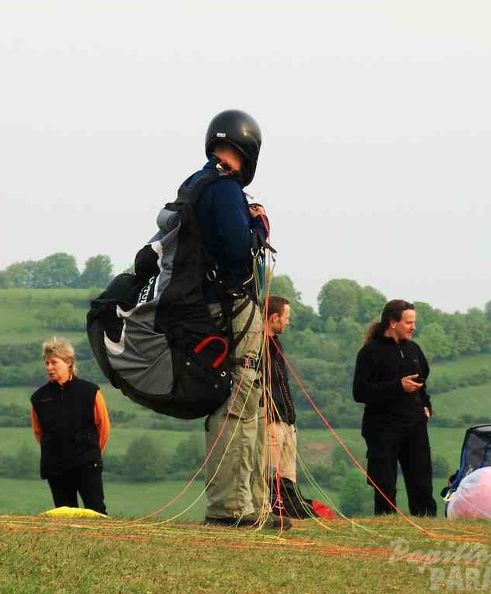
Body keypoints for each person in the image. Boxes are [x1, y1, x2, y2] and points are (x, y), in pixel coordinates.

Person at [196, 109, 289, 531]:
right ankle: (233, 508)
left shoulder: (199, 184)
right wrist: (259, 229)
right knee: (240, 404)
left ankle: (251, 504)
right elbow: (237, 251)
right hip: (232, 310)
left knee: (244, 404)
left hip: (215, 310)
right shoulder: (224, 188)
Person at [352, 299, 437, 517]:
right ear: (393, 322)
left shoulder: (414, 350)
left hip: (414, 425)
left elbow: (421, 383)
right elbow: (360, 392)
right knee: (384, 483)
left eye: (413, 322)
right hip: (382, 428)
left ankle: (427, 521)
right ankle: (386, 522)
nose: (413, 327)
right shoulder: (369, 352)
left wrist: (426, 405)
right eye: (409, 322)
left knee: (421, 480)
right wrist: (398, 386)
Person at [31, 336, 110, 514]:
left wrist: (92, 454)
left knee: (96, 511)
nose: (49, 367)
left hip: (87, 465)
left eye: (54, 362)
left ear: (68, 362)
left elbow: (103, 426)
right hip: (56, 468)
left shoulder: (90, 392)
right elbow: (38, 432)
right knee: (64, 515)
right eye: (46, 363)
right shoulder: (38, 398)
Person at [264, 295, 297, 484]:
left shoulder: (277, 344)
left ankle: (287, 509)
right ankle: (267, 510)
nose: (288, 322)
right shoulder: (257, 344)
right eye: (286, 317)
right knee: (268, 477)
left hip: (287, 421)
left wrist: (291, 418)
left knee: (288, 478)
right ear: (274, 318)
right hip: (270, 423)